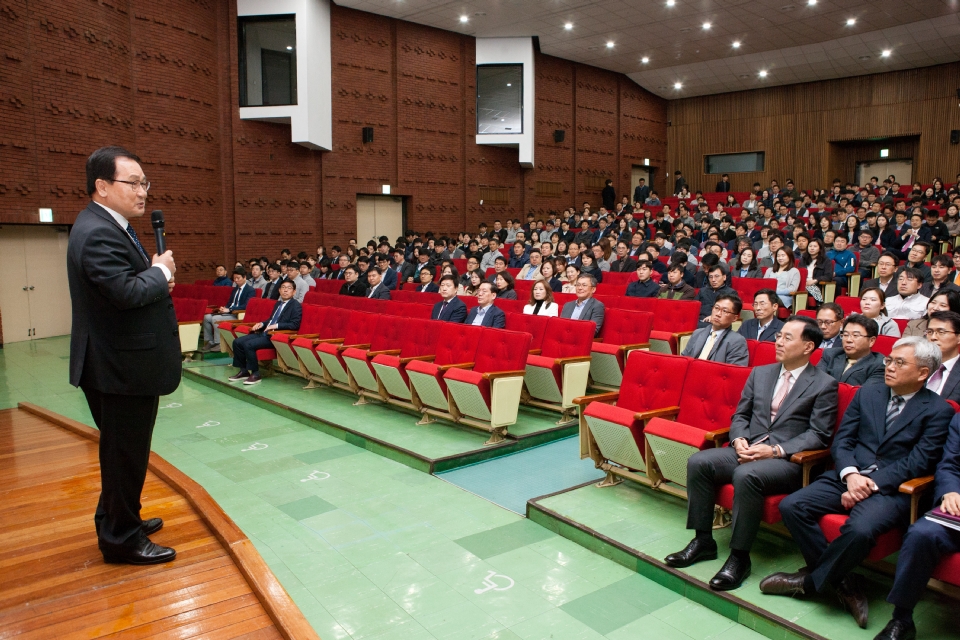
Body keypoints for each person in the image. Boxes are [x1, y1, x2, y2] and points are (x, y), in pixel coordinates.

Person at [763, 337, 953, 630]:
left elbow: (918, 462)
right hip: (848, 475)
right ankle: (845, 582)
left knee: (861, 529)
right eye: (889, 359)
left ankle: (811, 582)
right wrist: (851, 475)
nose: (888, 366)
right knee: (793, 505)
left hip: (892, 489)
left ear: (923, 373)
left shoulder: (939, 410)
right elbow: (843, 441)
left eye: (899, 363)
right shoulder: (869, 393)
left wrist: (869, 483)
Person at [666, 316, 837, 590]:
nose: (778, 341)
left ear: (808, 347)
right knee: (699, 462)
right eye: (778, 335)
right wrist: (739, 440)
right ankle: (703, 540)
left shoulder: (823, 384)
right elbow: (740, 414)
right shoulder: (761, 373)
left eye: (787, 338)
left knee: (747, 475)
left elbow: (818, 434)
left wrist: (774, 450)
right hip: (749, 447)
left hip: (786, 461)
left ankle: (739, 557)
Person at [68, 145, 179, 564]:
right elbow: (125, 292)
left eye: (144, 182)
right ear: (102, 186)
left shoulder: (106, 223)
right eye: (132, 183)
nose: (142, 191)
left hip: (118, 362)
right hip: (119, 366)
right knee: (124, 453)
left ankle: (119, 517)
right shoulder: (98, 231)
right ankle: (121, 539)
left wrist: (152, 275)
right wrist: (161, 272)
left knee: (122, 452)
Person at [875, 406, 960, 640]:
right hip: (957, 508)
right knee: (921, 533)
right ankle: (901, 619)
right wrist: (951, 492)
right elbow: (949, 465)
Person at [227, 280, 302, 385]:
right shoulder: (278, 304)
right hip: (265, 333)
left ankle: (255, 374)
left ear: (294, 292)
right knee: (237, 342)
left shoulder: (295, 305)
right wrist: (262, 324)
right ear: (279, 290)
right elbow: (271, 320)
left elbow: (295, 325)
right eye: (283, 287)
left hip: (276, 336)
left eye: (289, 288)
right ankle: (244, 371)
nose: (285, 290)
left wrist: (276, 326)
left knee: (248, 344)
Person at [816, 314, 885, 386]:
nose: (848, 340)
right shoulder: (830, 354)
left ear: (871, 341)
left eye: (855, 335)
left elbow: (868, 394)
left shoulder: (879, 364)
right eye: (845, 335)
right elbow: (815, 382)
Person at [681, 294, 750, 365]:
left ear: (734, 318)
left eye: (725, 311)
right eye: (716, 308)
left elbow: (734, 371)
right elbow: (684, 359)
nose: (718, 314)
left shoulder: (737, 341)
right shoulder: (697, 333)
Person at [202, 268, 255, 352]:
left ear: (244, 278)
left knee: (215, 319)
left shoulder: (250, 290)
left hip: (238, 314)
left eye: (238, 278)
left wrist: (230, 309)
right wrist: (224, 308)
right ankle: (209, 341)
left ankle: (218, 343)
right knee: (207, 317)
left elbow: (246, 305)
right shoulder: (235, 289)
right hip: (230, 312)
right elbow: (230, 302)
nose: (236, 281)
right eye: (234, 278)